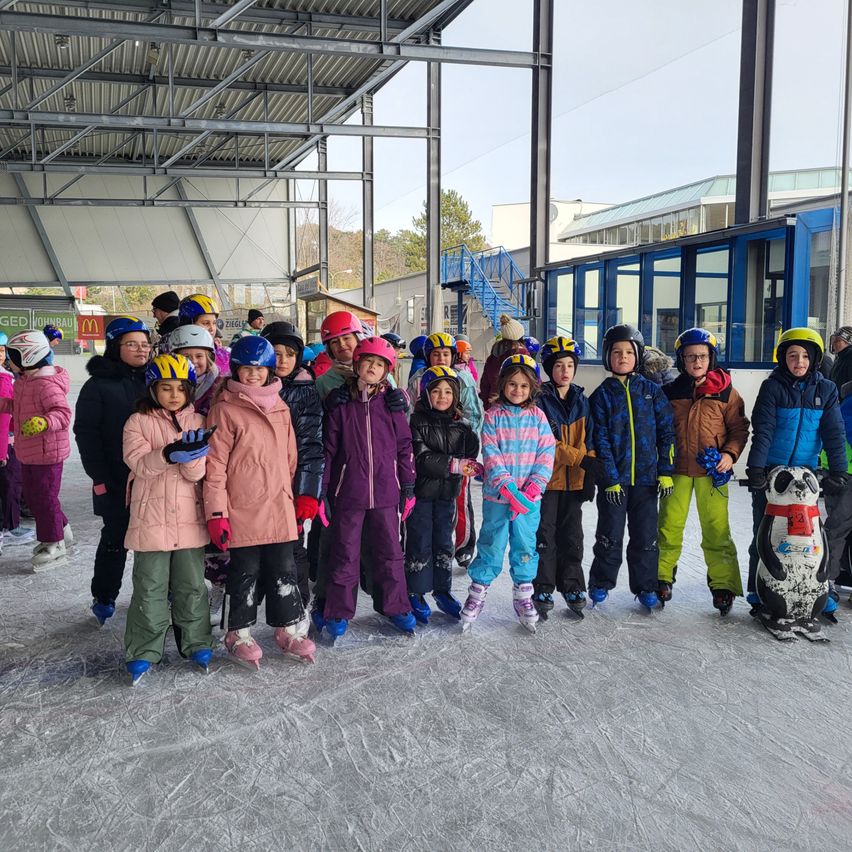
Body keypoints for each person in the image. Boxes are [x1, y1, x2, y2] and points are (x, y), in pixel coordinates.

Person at [204, 335, 315, 668]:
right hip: (242, 507)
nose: (252, 375)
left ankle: (288, 628)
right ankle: (238, 632)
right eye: (245, 369)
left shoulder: (280, 406)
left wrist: (294, 498)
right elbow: (215, 466)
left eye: (258, 369)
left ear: (269, 371)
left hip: (278, 505)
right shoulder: (224, 409)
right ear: (235, 370)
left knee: (285, 569)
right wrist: (217, 513)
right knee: (245, 572)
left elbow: (291, 458)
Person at [122, 354, 214, 685]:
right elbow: (138, 464)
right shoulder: (137, 422)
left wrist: (191, 457)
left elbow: (197, 474)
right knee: (149, 588)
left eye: (180, 388)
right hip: (150, 521)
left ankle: (198, 642)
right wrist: (167, 453)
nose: (174, 394)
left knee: (191, 587)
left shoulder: (199, 421)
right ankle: (144, 650)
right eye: (165, 388)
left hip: (189, 519)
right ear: (152, 389)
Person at [317, 336, 417, 639]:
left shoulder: (392, 404)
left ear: (386, 370)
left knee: (390, 552)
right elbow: (328, 451)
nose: (372, 368)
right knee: (345, 552)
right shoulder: (341, 404)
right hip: (349, 492)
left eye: (379, 364)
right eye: (368, 362)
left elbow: (404, 447)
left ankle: (396, 605)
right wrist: (322, 490)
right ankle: (338, 610)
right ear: (357, 364)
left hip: (386, 492)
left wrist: (408, 485)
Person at [745, 328, 847, 618]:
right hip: (774, 474)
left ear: (814, 358)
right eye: (792, 355)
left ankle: (817, 588)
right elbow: (763, 430)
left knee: (810, 537)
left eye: (805, 356)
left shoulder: (826, 390)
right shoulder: (772, 387)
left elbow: (834, 432)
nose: (799, 361)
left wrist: (838, 469)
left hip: (805, 477)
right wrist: (756, 469)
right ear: (783, 358)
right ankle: (758, 586)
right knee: (764, 533)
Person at [656, 328, 750, 615]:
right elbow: (659, 429)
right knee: (669, 526)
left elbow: (739, 428)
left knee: (716, 529)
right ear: (681, 360)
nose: (697, 361)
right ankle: (661, 577)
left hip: (713, 473)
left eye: (702, 356)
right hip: (677, 471)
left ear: (711, 358)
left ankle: (723, 585)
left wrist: (729, 454)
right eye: (690, 356)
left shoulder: (726, 392)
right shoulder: (671, 392)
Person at [460, 354, 555, 632]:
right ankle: (477, 593)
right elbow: (490, 454)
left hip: (529, 501)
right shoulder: (492, 417)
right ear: (502, 385)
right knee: (491, 544)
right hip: (498, 498)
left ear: (532, 389)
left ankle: (524, 595)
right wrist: (509, 489)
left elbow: (546, 452)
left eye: (524, 386)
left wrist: (533, 488)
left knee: (525, 546)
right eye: (512, 384)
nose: (518, 390)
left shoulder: (538, 417)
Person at [587, 324, 676, 610]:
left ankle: (646, 586)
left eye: (628, 352)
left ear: (637, 356)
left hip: (648, 481)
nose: (622, 357)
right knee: (609, 535)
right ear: (607, 357)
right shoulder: (602, 395)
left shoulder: (652, 392)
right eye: (616, 352)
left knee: (645, 537)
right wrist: (610, 478)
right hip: (615, 482)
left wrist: (665, 471)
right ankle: (601, 581)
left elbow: (666, 433)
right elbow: (599, 439)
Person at [74, 315, 151, 625]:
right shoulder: (98, 386)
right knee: (115, 538)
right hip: (116, 479)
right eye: (132, 344)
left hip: (152, 476)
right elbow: (87, 434)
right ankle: (104, 594)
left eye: (145, 344)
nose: (141, 350)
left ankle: (163, 592)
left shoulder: (155, 380)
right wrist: (100, 478)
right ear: (115, 346)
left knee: (156, 540)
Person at [406, 366, 481, 624]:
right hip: (422, 495)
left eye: (448, 391)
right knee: (420, 541)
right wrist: (454, 465)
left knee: (443, 542)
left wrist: (471, 435)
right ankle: (415, 590)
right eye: (436, 391)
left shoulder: (459, 424)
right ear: (426, 394)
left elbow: (470, 451)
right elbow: (422, 457)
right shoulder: (416, 421)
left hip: (447, 495)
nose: (442, 396)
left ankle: (442, 589)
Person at [532, 336, 597, 619]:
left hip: (575, 482)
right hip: (547, 481)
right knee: (545, 534)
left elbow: (590, 440)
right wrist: (581, 459)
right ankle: (543, 586)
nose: (565, 371)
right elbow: (547, 443)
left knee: (573, 536)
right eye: (559, 365)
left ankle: (572, 585)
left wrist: (589, 473)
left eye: (570, 365)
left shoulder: (582, 400)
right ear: (549, 368)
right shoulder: (539, 401)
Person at [261, 321, 324, 606]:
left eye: (289, 353)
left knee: (292, 546)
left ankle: (297, 605)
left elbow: (312, 445)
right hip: (254, 484)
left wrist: (308, 491)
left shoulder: (306, 392)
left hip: (289, 484)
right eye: (275, 353)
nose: (283, 360)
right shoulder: (246, 389)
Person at [1, 331, 72, 570]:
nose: (8, 361)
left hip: (47, 453)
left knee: (43, 498)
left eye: (11, 356)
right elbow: (18, 405)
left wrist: (44, 422)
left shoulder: (45, 384)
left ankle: (54, 543)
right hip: (29, 451)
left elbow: (62, 414)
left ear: (26, 356)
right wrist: (4, 404)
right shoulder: (25, 382)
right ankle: (62, 530)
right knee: (35, 497)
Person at [168, 325, 221, 417]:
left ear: (208, 358)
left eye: (199, 356)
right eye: (186, 357)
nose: (193, 361)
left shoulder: (219, 387)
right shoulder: (166, 385)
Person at [479, 314, 528, 411]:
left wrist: (486, 407)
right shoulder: (523, 356)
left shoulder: (493, 356)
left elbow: (484, 385)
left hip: (493, 407)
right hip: (518, 409)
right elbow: (533, 381)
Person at [830, 326, 852, 390]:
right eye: (833, 339)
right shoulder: (840, 357)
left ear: (848, 343)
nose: (833, 343)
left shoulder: (849, 358)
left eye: (837, 340)